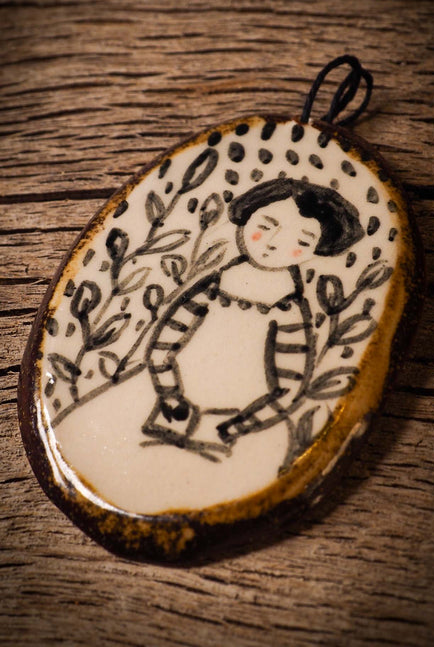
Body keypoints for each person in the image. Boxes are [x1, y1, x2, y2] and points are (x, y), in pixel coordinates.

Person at [142, 177, 364, 461]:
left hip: (230, 430)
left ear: (316, 250)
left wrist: (237, 427)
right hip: (169, 412)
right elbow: (164, 342)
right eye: (266, 226)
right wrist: (169, 395)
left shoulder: (288, 308)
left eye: (300, 241)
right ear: (246, 219)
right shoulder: (215, 285)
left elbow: (290, 381)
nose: (273, 244)